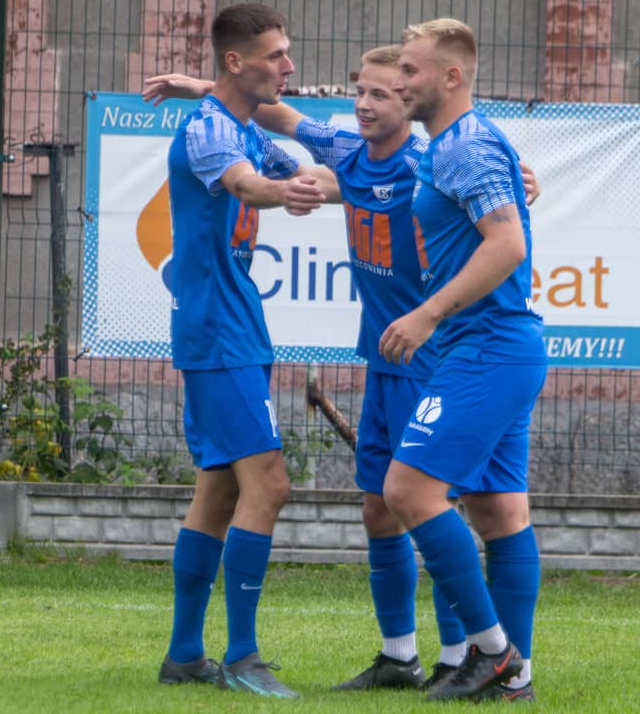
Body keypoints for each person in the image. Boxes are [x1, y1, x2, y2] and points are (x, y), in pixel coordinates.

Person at [144, 41, 541, 700]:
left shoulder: (429, 161)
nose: (367, 102)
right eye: (361, 90)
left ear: (411, 101)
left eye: (385, 90)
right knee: (380, 509)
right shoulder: (347, 152)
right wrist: (202, 86)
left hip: (430, 353)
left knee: (436, 502)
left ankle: (465, 657)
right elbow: (277, 114)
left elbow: (500, 209)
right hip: (383, 355)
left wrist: (522, 184)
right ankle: (400, 657)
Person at [153, 2, 331, 700]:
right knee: (270, 483)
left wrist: (390, 181)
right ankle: (243, 655)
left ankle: (184, 655)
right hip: (217, 331)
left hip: (236, 326)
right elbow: (243, 183)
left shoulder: (241, 123)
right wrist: (281, 191)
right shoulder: (209, 132)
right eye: (276, 54)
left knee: (221, 488)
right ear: (236, 61)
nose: (289, 65)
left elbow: (303, 168)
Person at [376, 18, 548, 702]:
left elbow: (506, 245)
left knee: (407, 492)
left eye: (409, 70)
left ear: (451, 77)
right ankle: (515, 680)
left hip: (486, 347)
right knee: (498, 510)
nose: (398, 82)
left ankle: (495, 654)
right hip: (497, 346)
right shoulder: (457, 144)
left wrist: (427, 313)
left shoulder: (465, 146)